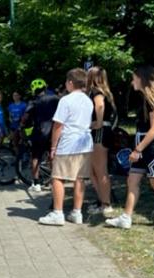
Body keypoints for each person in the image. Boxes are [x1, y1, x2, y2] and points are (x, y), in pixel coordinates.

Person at [106, 65, 154, 231]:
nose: (132, 81)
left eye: (134, 78)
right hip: (145, 142)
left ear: (142, 78)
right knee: (132, 179)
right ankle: (126, 216)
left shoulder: (152, 99)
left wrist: (138, 149)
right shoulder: (147, 97)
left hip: (153, 145)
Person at [38, 69, 94, 226]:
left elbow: (58, 125)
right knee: (79, 178)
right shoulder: (88, 101)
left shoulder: (66, 100)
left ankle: (57, 213)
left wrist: (53, 147)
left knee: (57, 177)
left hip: (68, 142)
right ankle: (77, 212)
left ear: (70, 83)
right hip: (85, 142)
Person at [86, 66, 117, 216]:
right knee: (93, 170)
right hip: (103, 132)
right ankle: (102, 200)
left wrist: (97, 122)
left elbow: (99, 105)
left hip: (100, 132)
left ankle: (106, 204)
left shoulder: (97, 92)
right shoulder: (106, 92)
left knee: (100, 170)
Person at [21, 78, 59, 193]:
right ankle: (54, 182)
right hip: (53, 131)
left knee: (36, 157)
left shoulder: (33, 101)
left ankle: (36, 183)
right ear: (45, 87)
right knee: (52, 156)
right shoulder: (55, 99)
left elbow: (25, 117)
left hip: (39, 131)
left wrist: (22, 125)